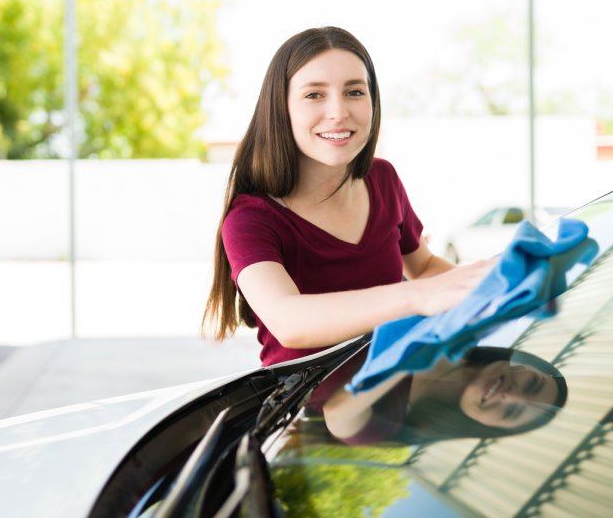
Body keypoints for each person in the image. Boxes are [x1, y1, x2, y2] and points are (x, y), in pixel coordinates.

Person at [203, 26, 495, 366]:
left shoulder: (383, 178)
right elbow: (289, 322)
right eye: (314, 95)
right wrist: (418, 296)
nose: (338, 112)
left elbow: (425, 266)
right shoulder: (250, 220)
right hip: (306, 411)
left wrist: (491, 286)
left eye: (355, 92)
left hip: (396, 393)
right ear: (280, 107)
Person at [316, 346, 568, 446]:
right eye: (532, 385)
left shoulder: (390, 426)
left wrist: (414, 353)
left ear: (486, 427)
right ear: (525, 365)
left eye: (511, 412)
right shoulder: (457, 332)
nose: (512, 397)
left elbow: (337, 411)